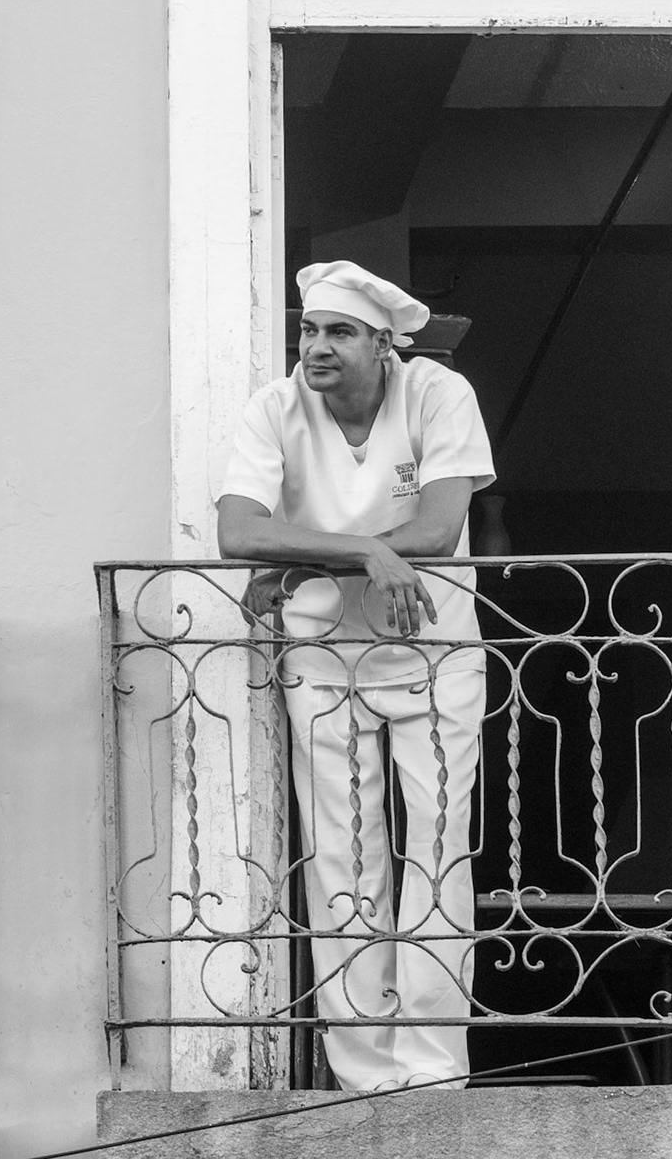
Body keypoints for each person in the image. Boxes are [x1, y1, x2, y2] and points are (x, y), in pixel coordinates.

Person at [216, 260, 495, 1091]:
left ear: (382, 345)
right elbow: (238, 533)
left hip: (433, 649)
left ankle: (431, 1066)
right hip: (322, 655)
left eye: (339, 332)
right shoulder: (274, 407)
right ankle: (365, 1071)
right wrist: (367, 551)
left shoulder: (438, 394)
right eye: (309, 330)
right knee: (341, 852)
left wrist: (303, 558)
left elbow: (439, 528)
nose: (316, 347)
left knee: (437, 847)